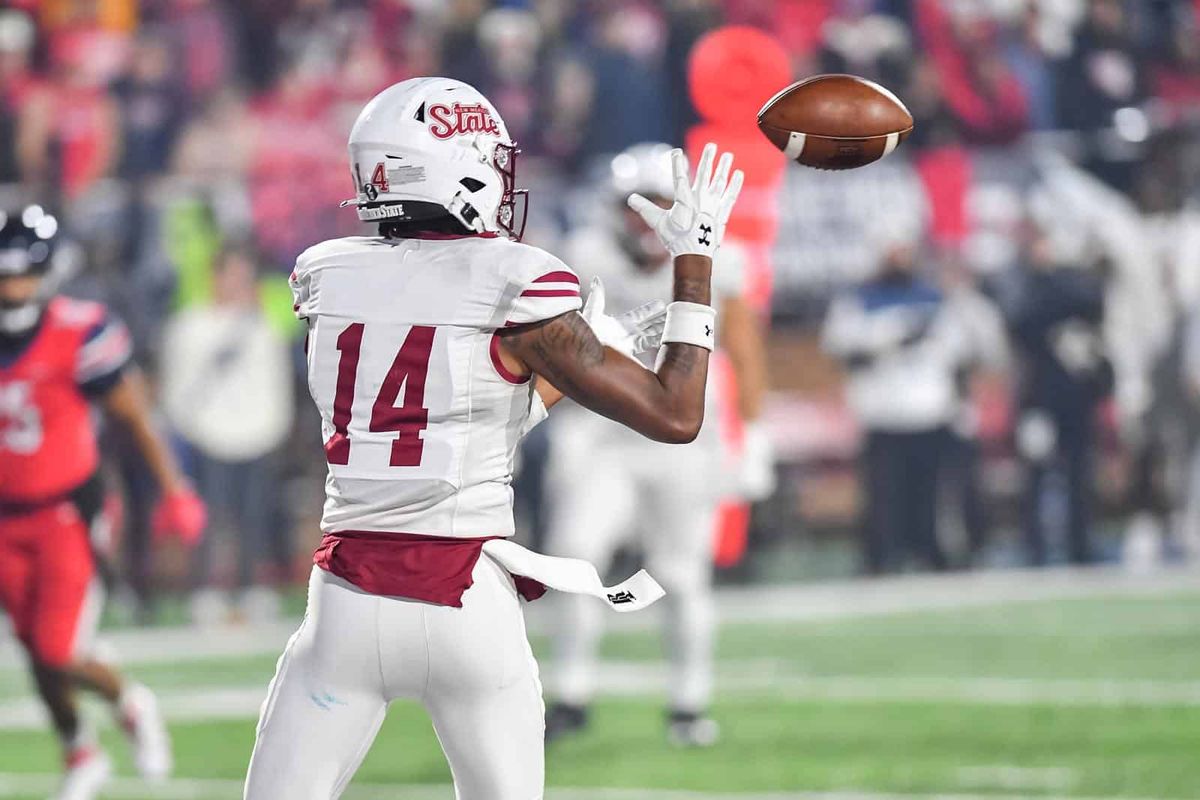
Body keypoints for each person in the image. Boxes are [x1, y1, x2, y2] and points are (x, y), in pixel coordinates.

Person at [242, 77, 742, 800]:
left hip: (343, 607)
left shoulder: (325, 274)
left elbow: (447, 403)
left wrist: (562, 369)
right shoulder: (514, 278)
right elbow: (675, 414)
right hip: (466, 607)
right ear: (457, 168)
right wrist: (693, 264)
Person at [542, 142, 773, 747]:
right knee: (572, 556)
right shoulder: (584, 256)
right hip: (604, 436)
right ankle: (569, 694)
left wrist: (754, 435)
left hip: (681, 441)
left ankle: (688, 703)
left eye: (664, 203)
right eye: (637, 204)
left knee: (679, 573)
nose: (648, 217)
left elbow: (744, 351)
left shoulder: (719, 259)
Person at [0, 204, 206, 800]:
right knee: (38, 655)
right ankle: (80, 750)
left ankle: (129, 701)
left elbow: (135, 416)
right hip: (5, 519)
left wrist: (175, 489)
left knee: (57, 650)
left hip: (68, 511)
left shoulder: (78, 330)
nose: (13, 287)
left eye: (22, 273)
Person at [159, 246, 294, 623]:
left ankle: (253, 587)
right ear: (214, 277)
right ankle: (204, 591)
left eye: (243, 276)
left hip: (258, 433)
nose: (237, 284)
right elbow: (177, 384)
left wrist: (274, 426)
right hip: (208, 435)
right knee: (209, 518)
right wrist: (187, 427)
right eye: (231, 275)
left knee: (254, 516)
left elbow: (275, 381)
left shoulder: (263, 326)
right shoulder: (189, 325)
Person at [821, 221, 958, 574]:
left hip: (928, 409)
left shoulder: (933, 296)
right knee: (884, 495)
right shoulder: (858, 300)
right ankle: (881, 558)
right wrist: (886, 342)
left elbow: (956, 349)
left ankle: (929, 553)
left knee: (927, 492)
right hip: (883, 410)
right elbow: (839, 347)